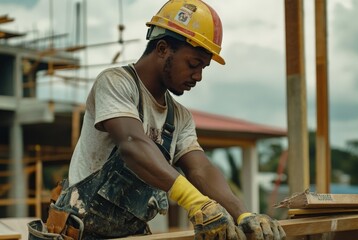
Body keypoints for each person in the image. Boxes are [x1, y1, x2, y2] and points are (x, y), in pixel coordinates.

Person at [28, 0, 286, 239]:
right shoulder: (116, 84)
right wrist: (194, 201)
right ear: (163, 49)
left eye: (203, 68)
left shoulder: (180, 117)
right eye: (193, 64)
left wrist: (243, 213)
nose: (198, 76)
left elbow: (200, 168)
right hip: (77, 233)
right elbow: (132, 144)